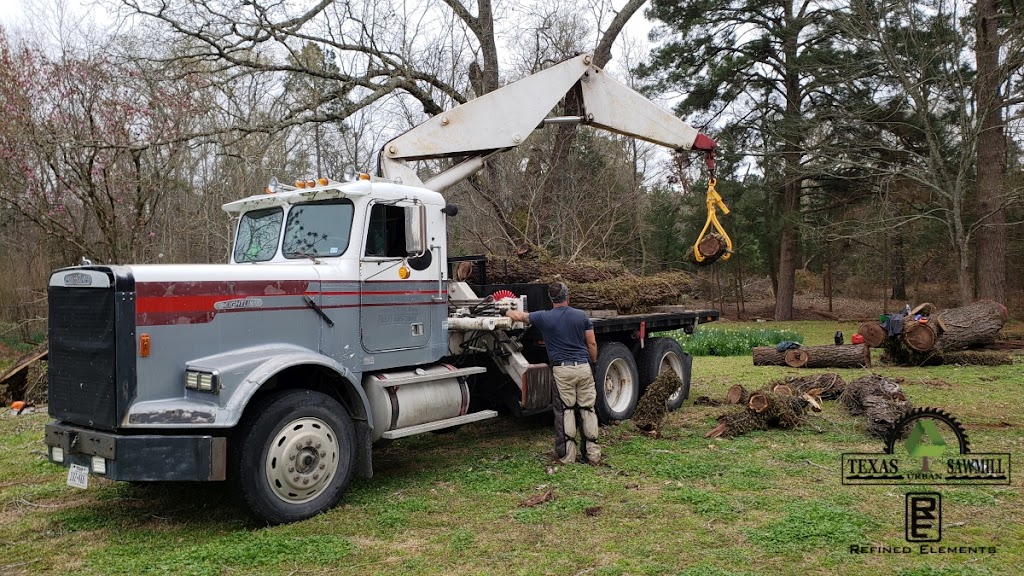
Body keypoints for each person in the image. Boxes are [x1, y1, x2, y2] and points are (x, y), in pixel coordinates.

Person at [506, 282, 601, 465]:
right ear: (567, 296)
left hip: (561, 370)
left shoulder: (544, 317)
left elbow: (519, 316)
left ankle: (568, 457)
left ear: (551, 299)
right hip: (582, 367)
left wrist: (504, 311)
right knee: (588, 409)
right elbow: (592, 343)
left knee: (566, 410)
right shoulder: (581, 316)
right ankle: (593, 454)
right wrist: (594, 362)